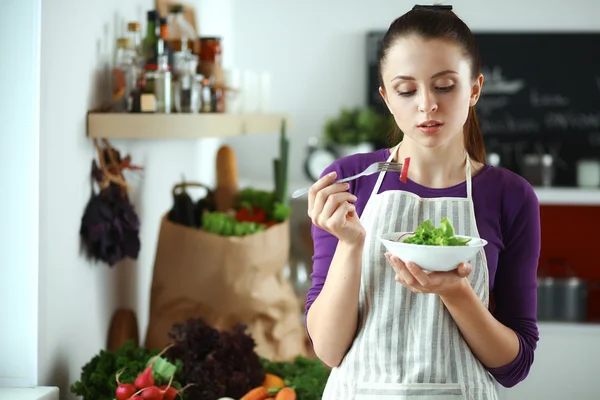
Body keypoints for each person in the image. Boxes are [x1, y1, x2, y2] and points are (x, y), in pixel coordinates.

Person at [304, 4, 541, 400]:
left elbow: (514, 367)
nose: (426, 104)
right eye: (406, 90)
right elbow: (328, 351)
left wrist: (454, 291)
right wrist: (350, 243)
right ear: (386, 97)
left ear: (475, 89)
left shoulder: (510, 195)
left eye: (445, 86)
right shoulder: (348, 181)